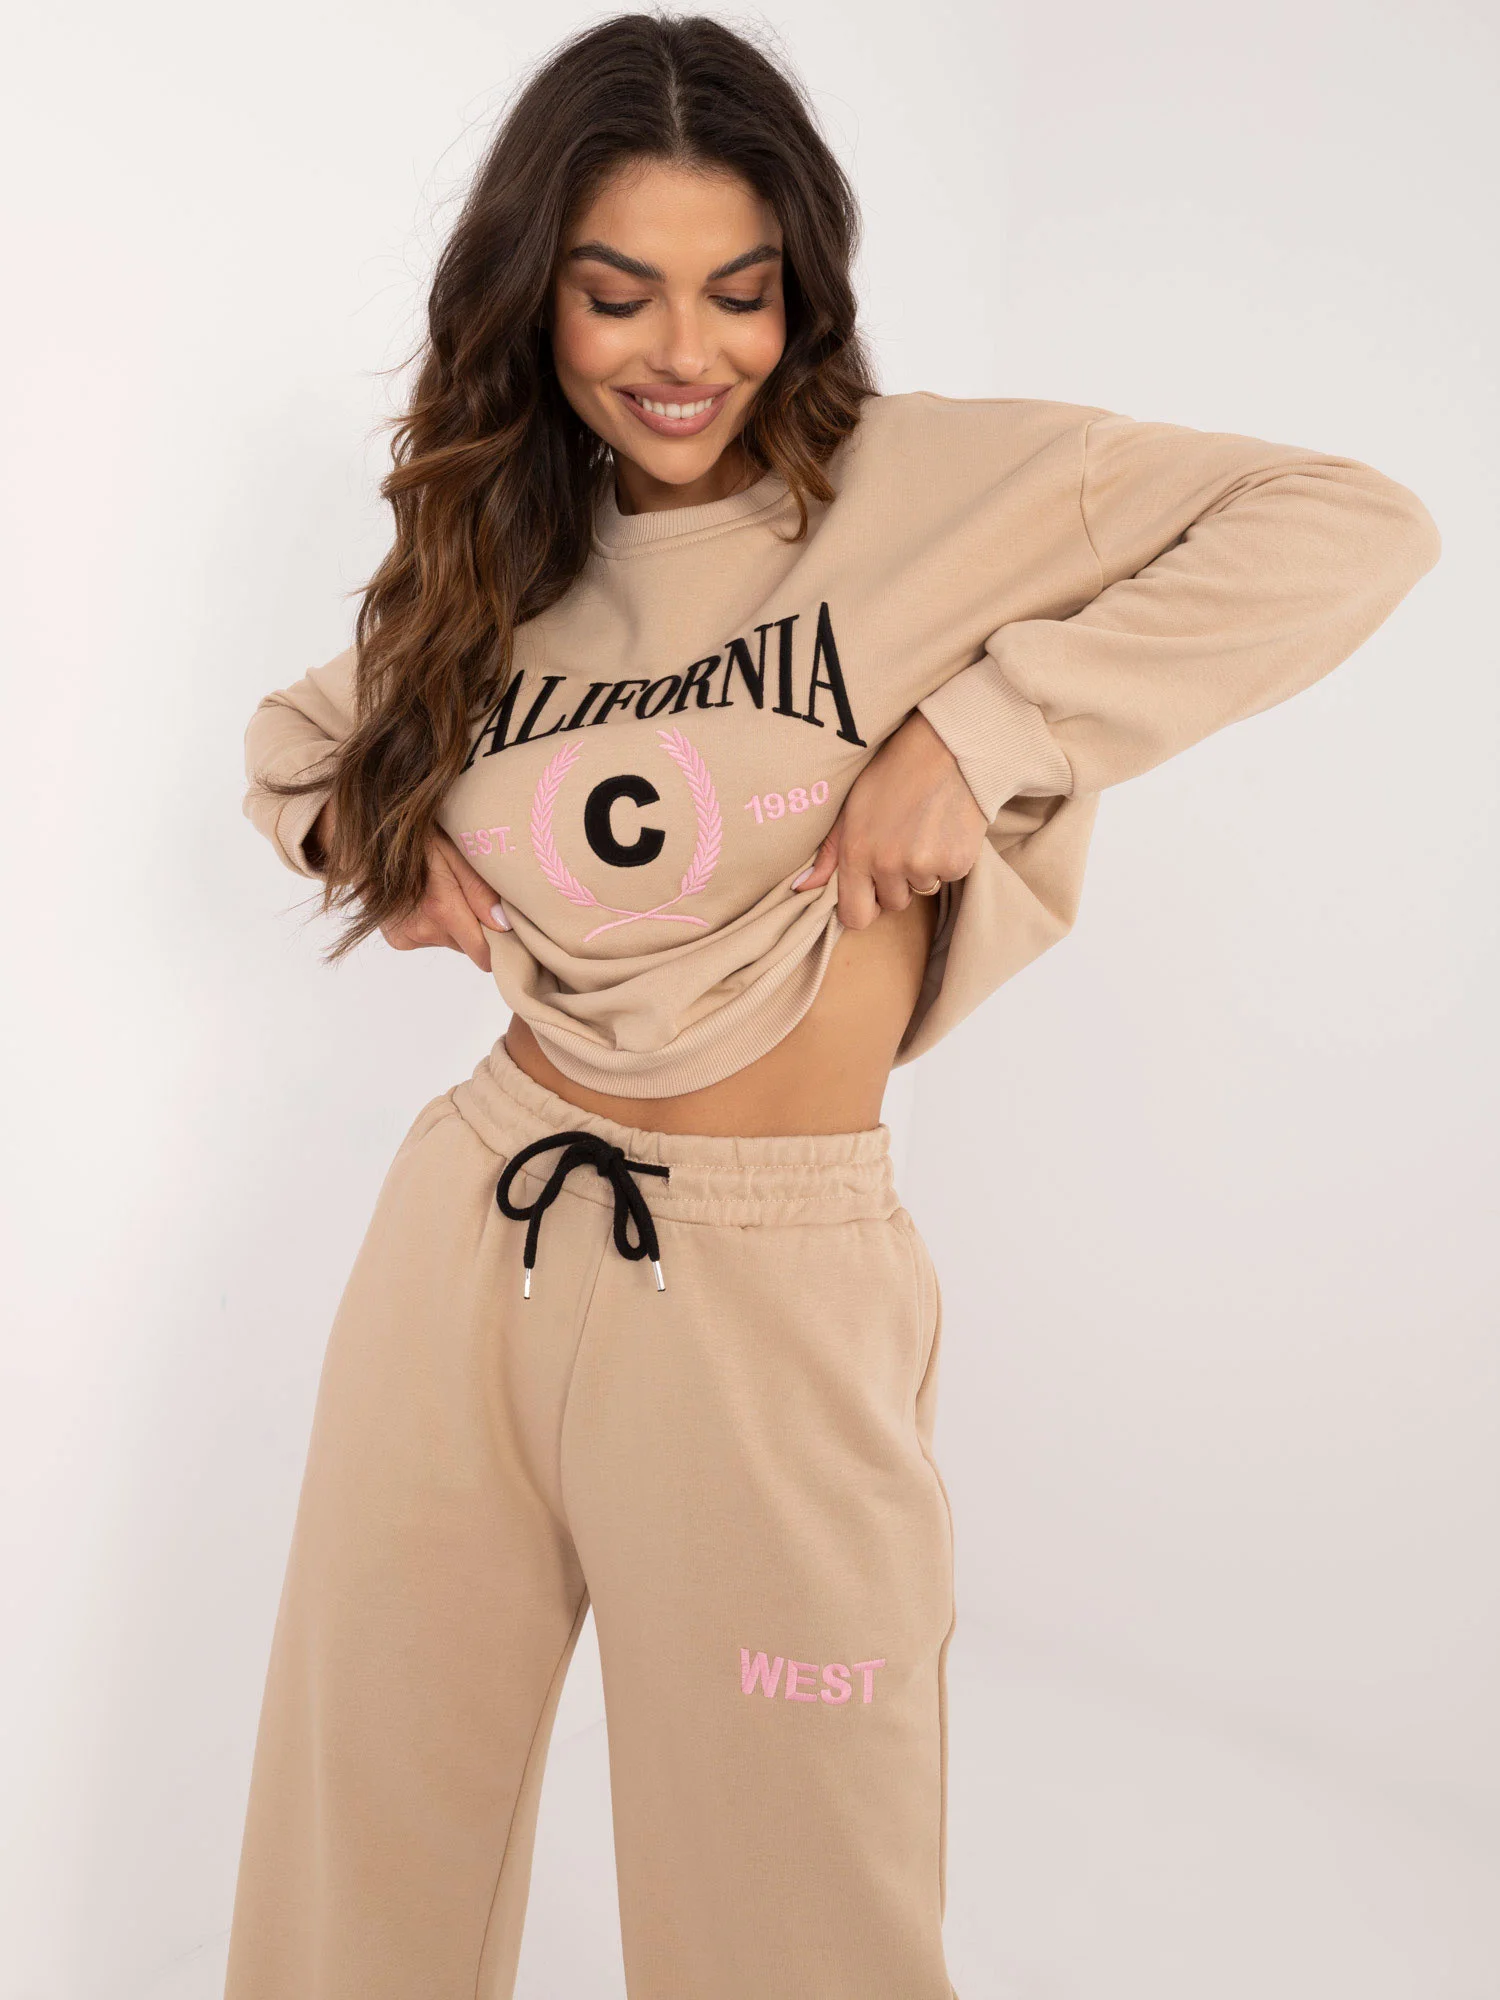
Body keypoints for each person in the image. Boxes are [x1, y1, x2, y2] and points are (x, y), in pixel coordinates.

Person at [223, 15, 1441, 1999]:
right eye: (615, 292)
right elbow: (295, 741)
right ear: (536, 301)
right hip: (475, 1225)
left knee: (799, 1908)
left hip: (771, 1279)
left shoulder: (936, 486)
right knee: (360, 1855)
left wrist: (985, 731)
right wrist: (378, 837)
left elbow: (1353, 520)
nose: (681, 351)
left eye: (739, 289)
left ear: (805, 287)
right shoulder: (513, 551)